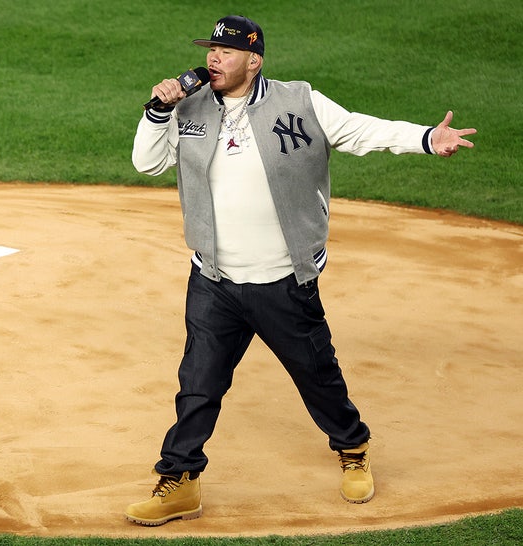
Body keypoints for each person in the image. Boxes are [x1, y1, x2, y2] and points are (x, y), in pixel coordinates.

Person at [124, 15, 476, 527]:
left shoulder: (300, 101)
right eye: (210, 50)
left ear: (254, 60)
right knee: (197, 384)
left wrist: (424, 138)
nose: (213, 59)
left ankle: (353, 447)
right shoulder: (189, 107)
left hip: (282, 280)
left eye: (225, 51)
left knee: (317, 376)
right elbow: (145, 163)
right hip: (214, 279)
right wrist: (158, 111)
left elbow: (359, 130)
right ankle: (180, 479)